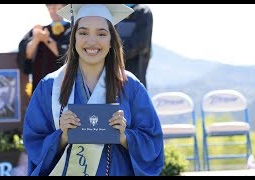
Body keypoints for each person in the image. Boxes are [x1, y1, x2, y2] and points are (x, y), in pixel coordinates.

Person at [23, 4, 164, 176]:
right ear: (73, 37)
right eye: (83, 32)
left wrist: (124, 137)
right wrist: (62, 137)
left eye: (101, 33)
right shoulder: (50, 87)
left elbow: (152, 144)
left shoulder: (130, 86)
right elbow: (34, 142)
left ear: (112, 39)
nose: (92, 41)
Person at [17, 4, 71, 93]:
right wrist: (36, 39)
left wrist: (47, 40)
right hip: (40, 83)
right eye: (51, 8)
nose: (54, 11)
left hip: (63, 85)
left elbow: (67, 55)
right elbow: (26, 55)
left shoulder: (72, 30)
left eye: (58, 8)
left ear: (64, 9)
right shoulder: (39, 31)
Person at [115, 4, 153, 88]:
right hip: (112, 82)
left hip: (135, 78)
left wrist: (114, 54)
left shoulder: (142, 12)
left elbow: (140, 42)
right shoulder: (113, 13)